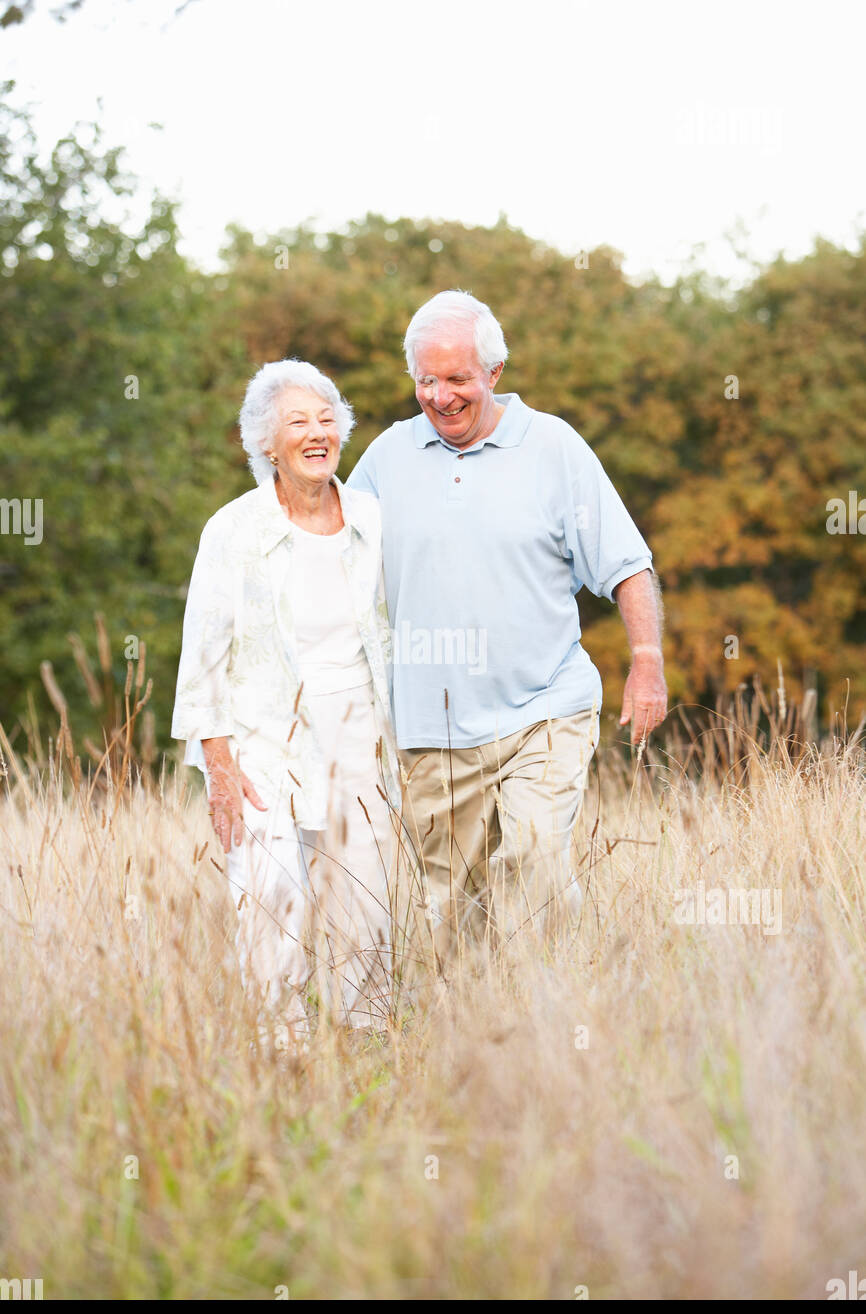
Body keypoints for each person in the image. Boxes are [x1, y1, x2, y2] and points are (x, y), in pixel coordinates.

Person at [347, 290, 667, 956]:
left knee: (535, 862)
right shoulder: (386, 460)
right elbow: (335, 570)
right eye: (425, 381)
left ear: (494, 373)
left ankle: (548, 1022)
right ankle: (473, 1044)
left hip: (542, 708)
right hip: (429, 727)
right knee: (450, 919)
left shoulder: (553, 449)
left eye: (457, 379)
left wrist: (647, 661)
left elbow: (628, 565)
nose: (439, 397)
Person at [171, 359, 401, 1042]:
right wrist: (217, 764)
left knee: (365, 902)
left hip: (360, 734)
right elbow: (203, 654)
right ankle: (282, 1051)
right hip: (264, 743)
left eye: (328, 419)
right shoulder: (233, 530)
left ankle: (364, 1044)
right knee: (272, 903)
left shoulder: (371, 518)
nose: (317, 432)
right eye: (298, 421)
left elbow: (400, 627)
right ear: (266, 443)